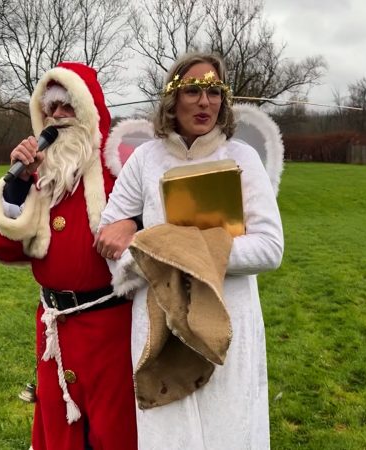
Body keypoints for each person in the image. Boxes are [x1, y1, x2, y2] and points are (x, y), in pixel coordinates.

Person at [96, 52, 284, 449]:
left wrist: (180, 251)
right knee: (168, 433)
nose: (205, 102)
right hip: (159, 317)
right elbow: (109, 234)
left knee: (229, 429)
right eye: (194, 91)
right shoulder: (146, 159)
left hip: (227, 316)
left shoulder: (242, 159)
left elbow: (269, 248)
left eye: (214, 92)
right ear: (172, 100)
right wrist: (133, 231)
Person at [0, 62, 138, 450]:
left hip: (112, 329)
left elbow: (159, 219)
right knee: (61, 435)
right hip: (54, 330)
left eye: (67, 106)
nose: (57, 116)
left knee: (116, 432)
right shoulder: (41, 174)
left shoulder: (121, 167)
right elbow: (5, 246)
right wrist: (18, 182)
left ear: (88, 109)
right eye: (50, 109)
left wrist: (133, 224)